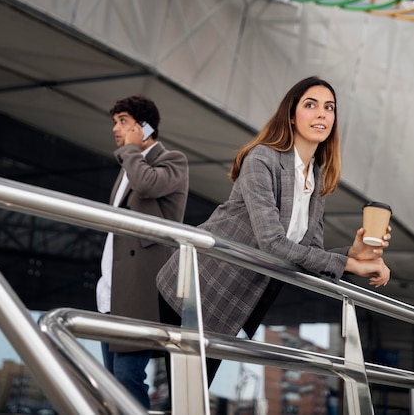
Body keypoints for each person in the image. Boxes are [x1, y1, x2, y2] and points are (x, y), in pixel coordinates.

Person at [156, 75, 391, 385]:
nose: (322, 113)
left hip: (233, 306)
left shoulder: (316, 178)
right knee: (185, 395)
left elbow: (311, 257)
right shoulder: (262, 159)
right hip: (196, 288)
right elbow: (272, 243)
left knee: (193, 395)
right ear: (292, 115)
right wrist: (350, 264)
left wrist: (354, 253)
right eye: (311, 105)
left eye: (329, 107)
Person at [96, 94, 189, 409]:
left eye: (123, 121)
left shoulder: (172, 161)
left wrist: (132, 152)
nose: (115, 129)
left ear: (145, 127)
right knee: (112, 382)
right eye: (115, 122)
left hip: (140, 293)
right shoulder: (128, 167)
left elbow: (148, 185)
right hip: (112, 290)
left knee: (128, 376)